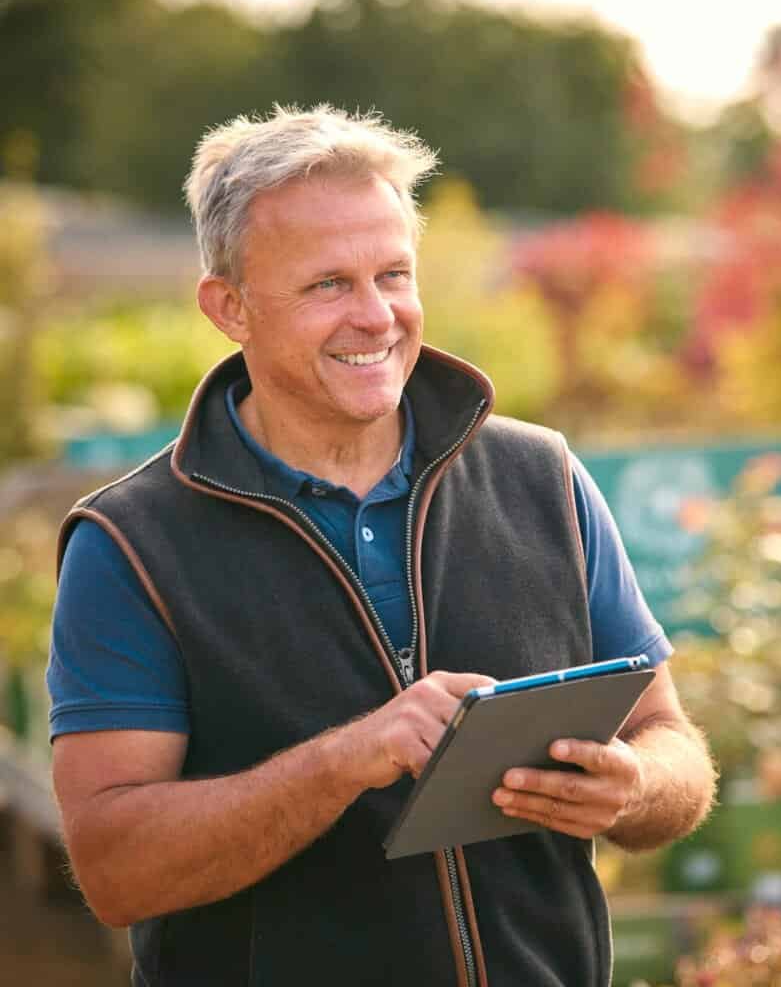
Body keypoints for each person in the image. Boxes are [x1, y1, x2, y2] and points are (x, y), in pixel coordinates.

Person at [47, 105, 716, 987]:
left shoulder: (541, 477)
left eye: (393, 274)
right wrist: (342, 762)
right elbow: (115, 870)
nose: (377, 317)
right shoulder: (130, 546)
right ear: (230, 308)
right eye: (327, 284)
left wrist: (632, 784)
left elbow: (671, 743)